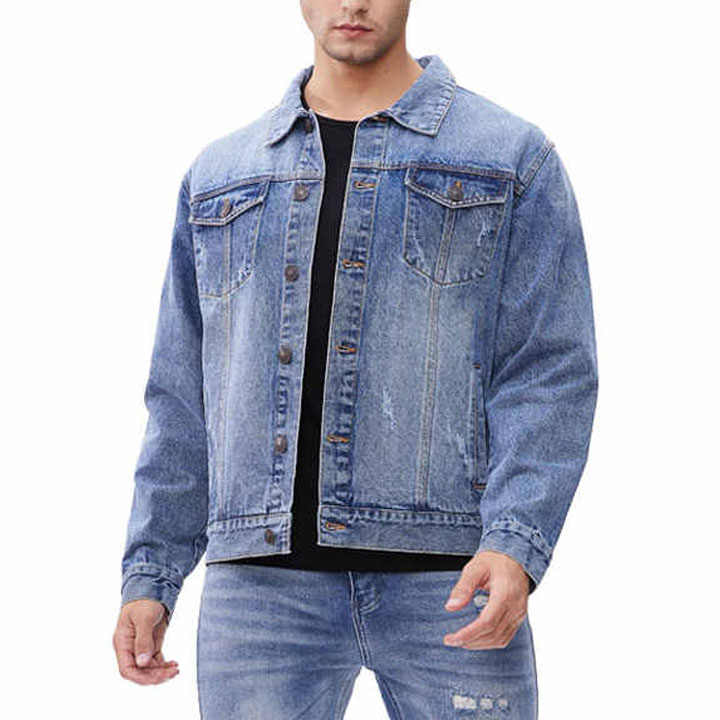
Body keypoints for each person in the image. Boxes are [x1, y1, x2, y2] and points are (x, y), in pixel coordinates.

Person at [113, 1, 599, 717]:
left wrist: (516, 542)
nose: (353, 3)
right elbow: (183, 393)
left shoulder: (508, 158)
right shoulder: (221, 174)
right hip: (260, 593)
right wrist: (152, 572)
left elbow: (548, 371)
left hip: (454, 580)